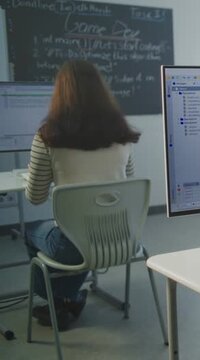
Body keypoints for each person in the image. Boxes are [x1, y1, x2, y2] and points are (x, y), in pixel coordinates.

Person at [24, 60, 140, 331]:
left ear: (59, 92)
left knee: (32, 232)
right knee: (85, 234)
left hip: (75, 246)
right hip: (124, 239)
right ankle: (69, 299)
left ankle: (60, 300)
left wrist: (41, 172)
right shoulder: (122, 135)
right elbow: (129, 183)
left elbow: (35, 197)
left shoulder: (47, 137)